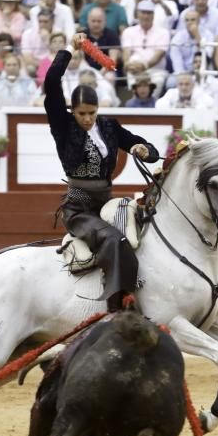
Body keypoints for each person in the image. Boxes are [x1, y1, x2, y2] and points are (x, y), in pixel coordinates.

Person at [44, 32, 159, 312]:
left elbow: (142, 145)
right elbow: (50, 83)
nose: (86, 119)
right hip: (79, 208)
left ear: (97, 110)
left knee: (144, 232)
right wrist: (69, 50)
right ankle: (116, 307)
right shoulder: (63, 125)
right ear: (73, 111)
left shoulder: (108, 127)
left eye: (91, 113)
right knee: (114, 238)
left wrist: (144, 149)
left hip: (106, 203)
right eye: (81, 113)